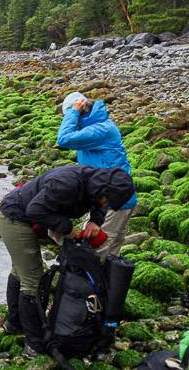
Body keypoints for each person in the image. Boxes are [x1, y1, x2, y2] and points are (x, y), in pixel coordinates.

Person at [0, 165, 134, 357]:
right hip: (15, 217)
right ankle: (33, 343)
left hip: (33, 217)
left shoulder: (95, 183)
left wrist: (95, 221)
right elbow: (35, 209)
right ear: (102, 190)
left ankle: (15, 323)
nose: (106, 204)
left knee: (21, 270)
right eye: (107, 200)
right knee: (33, 279)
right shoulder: (66, 184)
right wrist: (69, 229)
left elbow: (98, 204)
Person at [57, 91, 138, 259]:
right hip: (108, 198)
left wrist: (73, 112)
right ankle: (107, 284)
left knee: (96, 251)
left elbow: (64, 139)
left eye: (73, 115)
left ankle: (89, 283)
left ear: (81, 110)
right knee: (110, 252)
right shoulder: (94, 127)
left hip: (112, 200)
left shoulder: (100, 130)